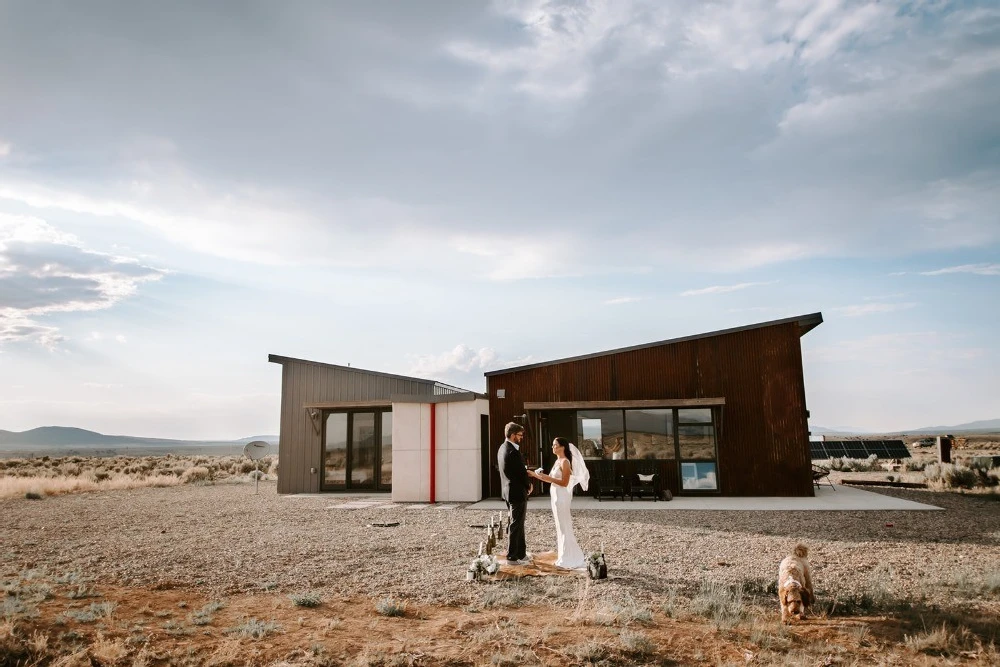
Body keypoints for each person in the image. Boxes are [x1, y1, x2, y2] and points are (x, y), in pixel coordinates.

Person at [528, 437, 589, 569]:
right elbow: (550, 479)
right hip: (555, 496)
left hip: (562, 496)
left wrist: (546, 477)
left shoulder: (565, 462)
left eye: (555, 445)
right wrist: (534, 474)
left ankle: (569, 556)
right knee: (559, 526)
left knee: (564, 525)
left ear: (562, 447)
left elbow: (565, 483)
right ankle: (564, 554)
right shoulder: (557, 461)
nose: (552, 447)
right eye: (553, 445)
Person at [497, 422, 532, 565]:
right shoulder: (512, 451)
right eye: (520, 435)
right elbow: (520, 473)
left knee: (518, 523)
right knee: (516, 524)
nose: (521, 437)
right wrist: (529, 485)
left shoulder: (502, 448)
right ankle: (512, 556)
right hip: (516, 492)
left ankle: (521, 553)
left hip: (508, 491)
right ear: (512, 435)